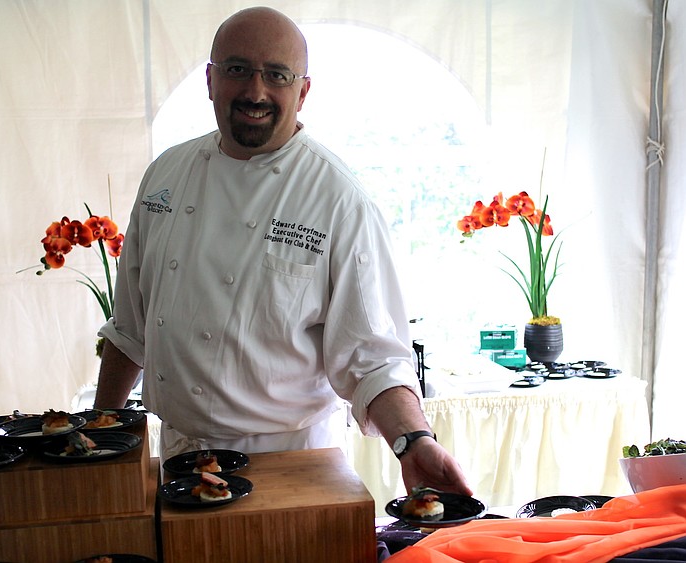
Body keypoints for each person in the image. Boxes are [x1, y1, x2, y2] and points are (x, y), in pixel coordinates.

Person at [95, 6, 472, 496]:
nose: (256, 92)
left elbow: (373, 357)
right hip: (180, 461)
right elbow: (129, 330)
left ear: (303, 91)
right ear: (210, 80)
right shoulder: (165, 175)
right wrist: (99, 433)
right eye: (237, 70)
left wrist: (414, 441)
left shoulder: (337, 199)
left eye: (277, 75)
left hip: (290, 464)